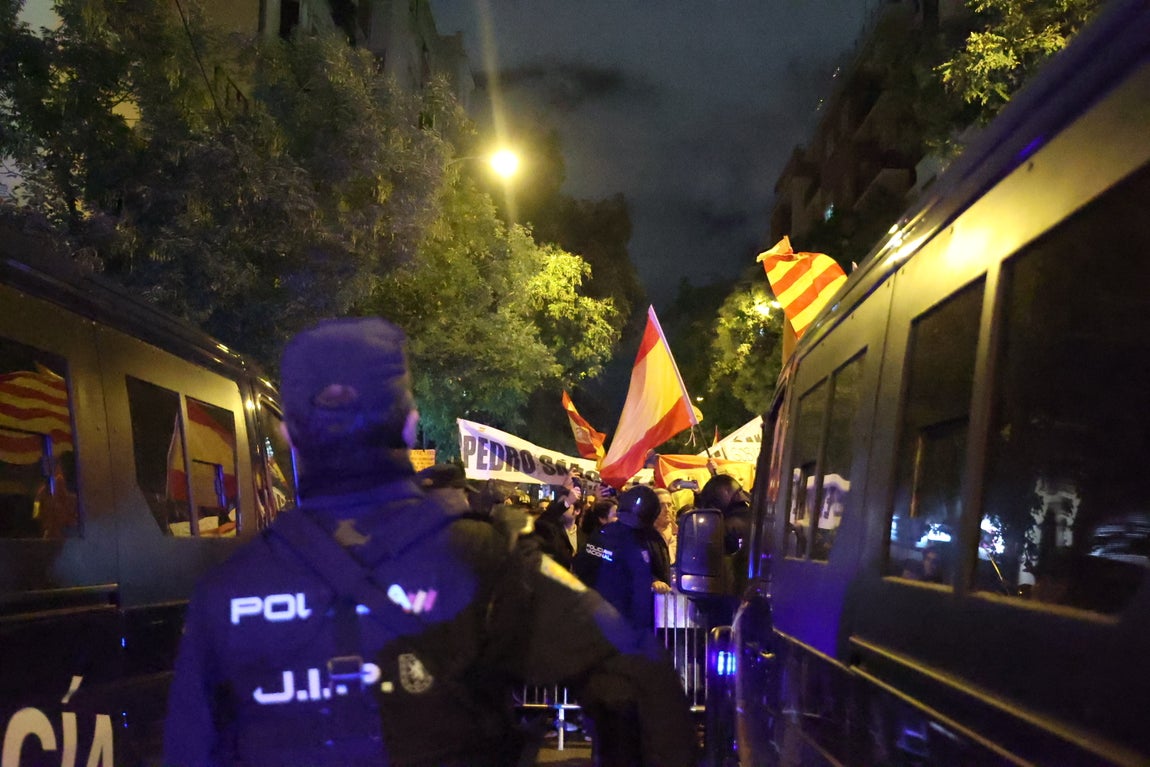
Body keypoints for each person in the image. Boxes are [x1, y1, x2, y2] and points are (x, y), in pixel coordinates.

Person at [162, 317, 695, 767]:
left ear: (289, 434)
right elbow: (640, 684)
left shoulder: (222, 594)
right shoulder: (488, 559)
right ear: (411, 425)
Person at [574, 485, 671, 632]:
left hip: (631, 623)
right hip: (609, 621)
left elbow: (661, 574)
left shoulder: (650, 539)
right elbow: (583, 565)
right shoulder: (605, 535)